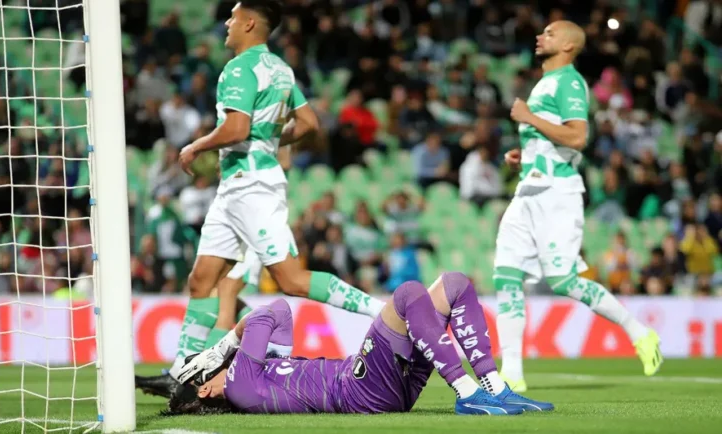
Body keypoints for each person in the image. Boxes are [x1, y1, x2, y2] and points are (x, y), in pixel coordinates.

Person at [136, 0, 386, 398]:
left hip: (252, 186)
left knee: (291, 280)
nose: (227, 23)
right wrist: (272, 139)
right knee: (202, 280)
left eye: (233, 17)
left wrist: (195, 146)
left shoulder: (239, 68)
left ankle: (382, 312)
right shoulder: (281, 69)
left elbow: (236, 128)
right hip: (234, 188)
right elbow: (308, 123)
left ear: (250, 23)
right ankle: (180, 373)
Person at [496, 20, 663, 393]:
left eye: (551, 33)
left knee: (564, 282)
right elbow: (556, 140)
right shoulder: (544, 83)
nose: (541, 36)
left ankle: (639, 332)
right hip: (529, 190)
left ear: (569, 45)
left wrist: (528, 118)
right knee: (505, 274)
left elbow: (578, 135)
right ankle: (512, 375)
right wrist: (525, 157)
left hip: (558, 194)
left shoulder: (569, 82)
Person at [168, 272, 554, 416]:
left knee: (454, 285)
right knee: (406, 294)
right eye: (208, 369)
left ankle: (495, 387)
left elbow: (281, 312)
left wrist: (232, 349)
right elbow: (267, 315)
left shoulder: (256, 377)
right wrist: (224, 347)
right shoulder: (238, 387)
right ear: (205, 386)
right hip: (360, 389)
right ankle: (468, 392)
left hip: (380, 387)